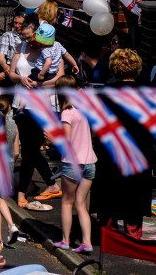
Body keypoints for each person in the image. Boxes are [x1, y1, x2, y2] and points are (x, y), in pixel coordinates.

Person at [94, 48, 156, 239]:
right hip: (139, 154)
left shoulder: (103, 95)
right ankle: (132, 240)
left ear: (114, 68)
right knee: (134, 202)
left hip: (111, 153)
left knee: (109, 198)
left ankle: (109, 240)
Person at [7, 21, 64, 210]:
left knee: (29, 150)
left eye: (31, 36)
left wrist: (38, 85)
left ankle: (21, 193)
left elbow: (59, 78)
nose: (29, 40)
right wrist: (21, 79)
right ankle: (52, 184)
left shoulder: (52, 49)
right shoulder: (20, 47)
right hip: (21, 104)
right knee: (29, 149)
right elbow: (11, 73)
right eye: (25, 37)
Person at [53, 75, 95, 254]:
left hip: (72, 163)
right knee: (81, 204)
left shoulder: (67, 113)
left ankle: (65, 240)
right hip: (90, 163)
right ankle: (87, 242)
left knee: (67, 202)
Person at [0, 95, 27, 245]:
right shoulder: (13, 125)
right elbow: (17, 152)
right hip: (8, 164)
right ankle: (11, 225)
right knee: (0, 199)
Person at [0, 11, 27, 83]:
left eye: (20, 24)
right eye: (15, 23)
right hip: (12, 67)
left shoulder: (30, 36)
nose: (17, 26)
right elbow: (1, 56)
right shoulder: (8, 36)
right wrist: (5, 66)